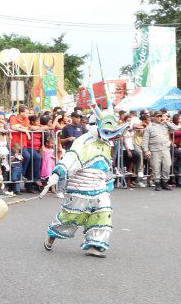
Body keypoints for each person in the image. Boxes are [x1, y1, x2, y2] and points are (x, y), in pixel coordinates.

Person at [43, 85, 128, 258]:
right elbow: (70, 158)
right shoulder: (83, 141)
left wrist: (107, 181)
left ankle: (95, 244)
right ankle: (52, 235)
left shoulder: (106, 143)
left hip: (99, 187)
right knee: (71, 217)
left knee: (103, 212)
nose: (110, 135)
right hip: (81, 187)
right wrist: (56, 175)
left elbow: (106, 166)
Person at [142, 111, 177, 191]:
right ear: (153, 117)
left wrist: (166, 122)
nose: (159, 118)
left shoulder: (165, 125)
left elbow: (175, 129)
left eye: (160, 116)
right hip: (155, 149)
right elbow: (145, 139)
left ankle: (165, 182)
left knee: (167, 165)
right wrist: (146, 150)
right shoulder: (149, 127)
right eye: (157, 116)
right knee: (156, 166)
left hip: (165, 148)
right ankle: (157, 182)